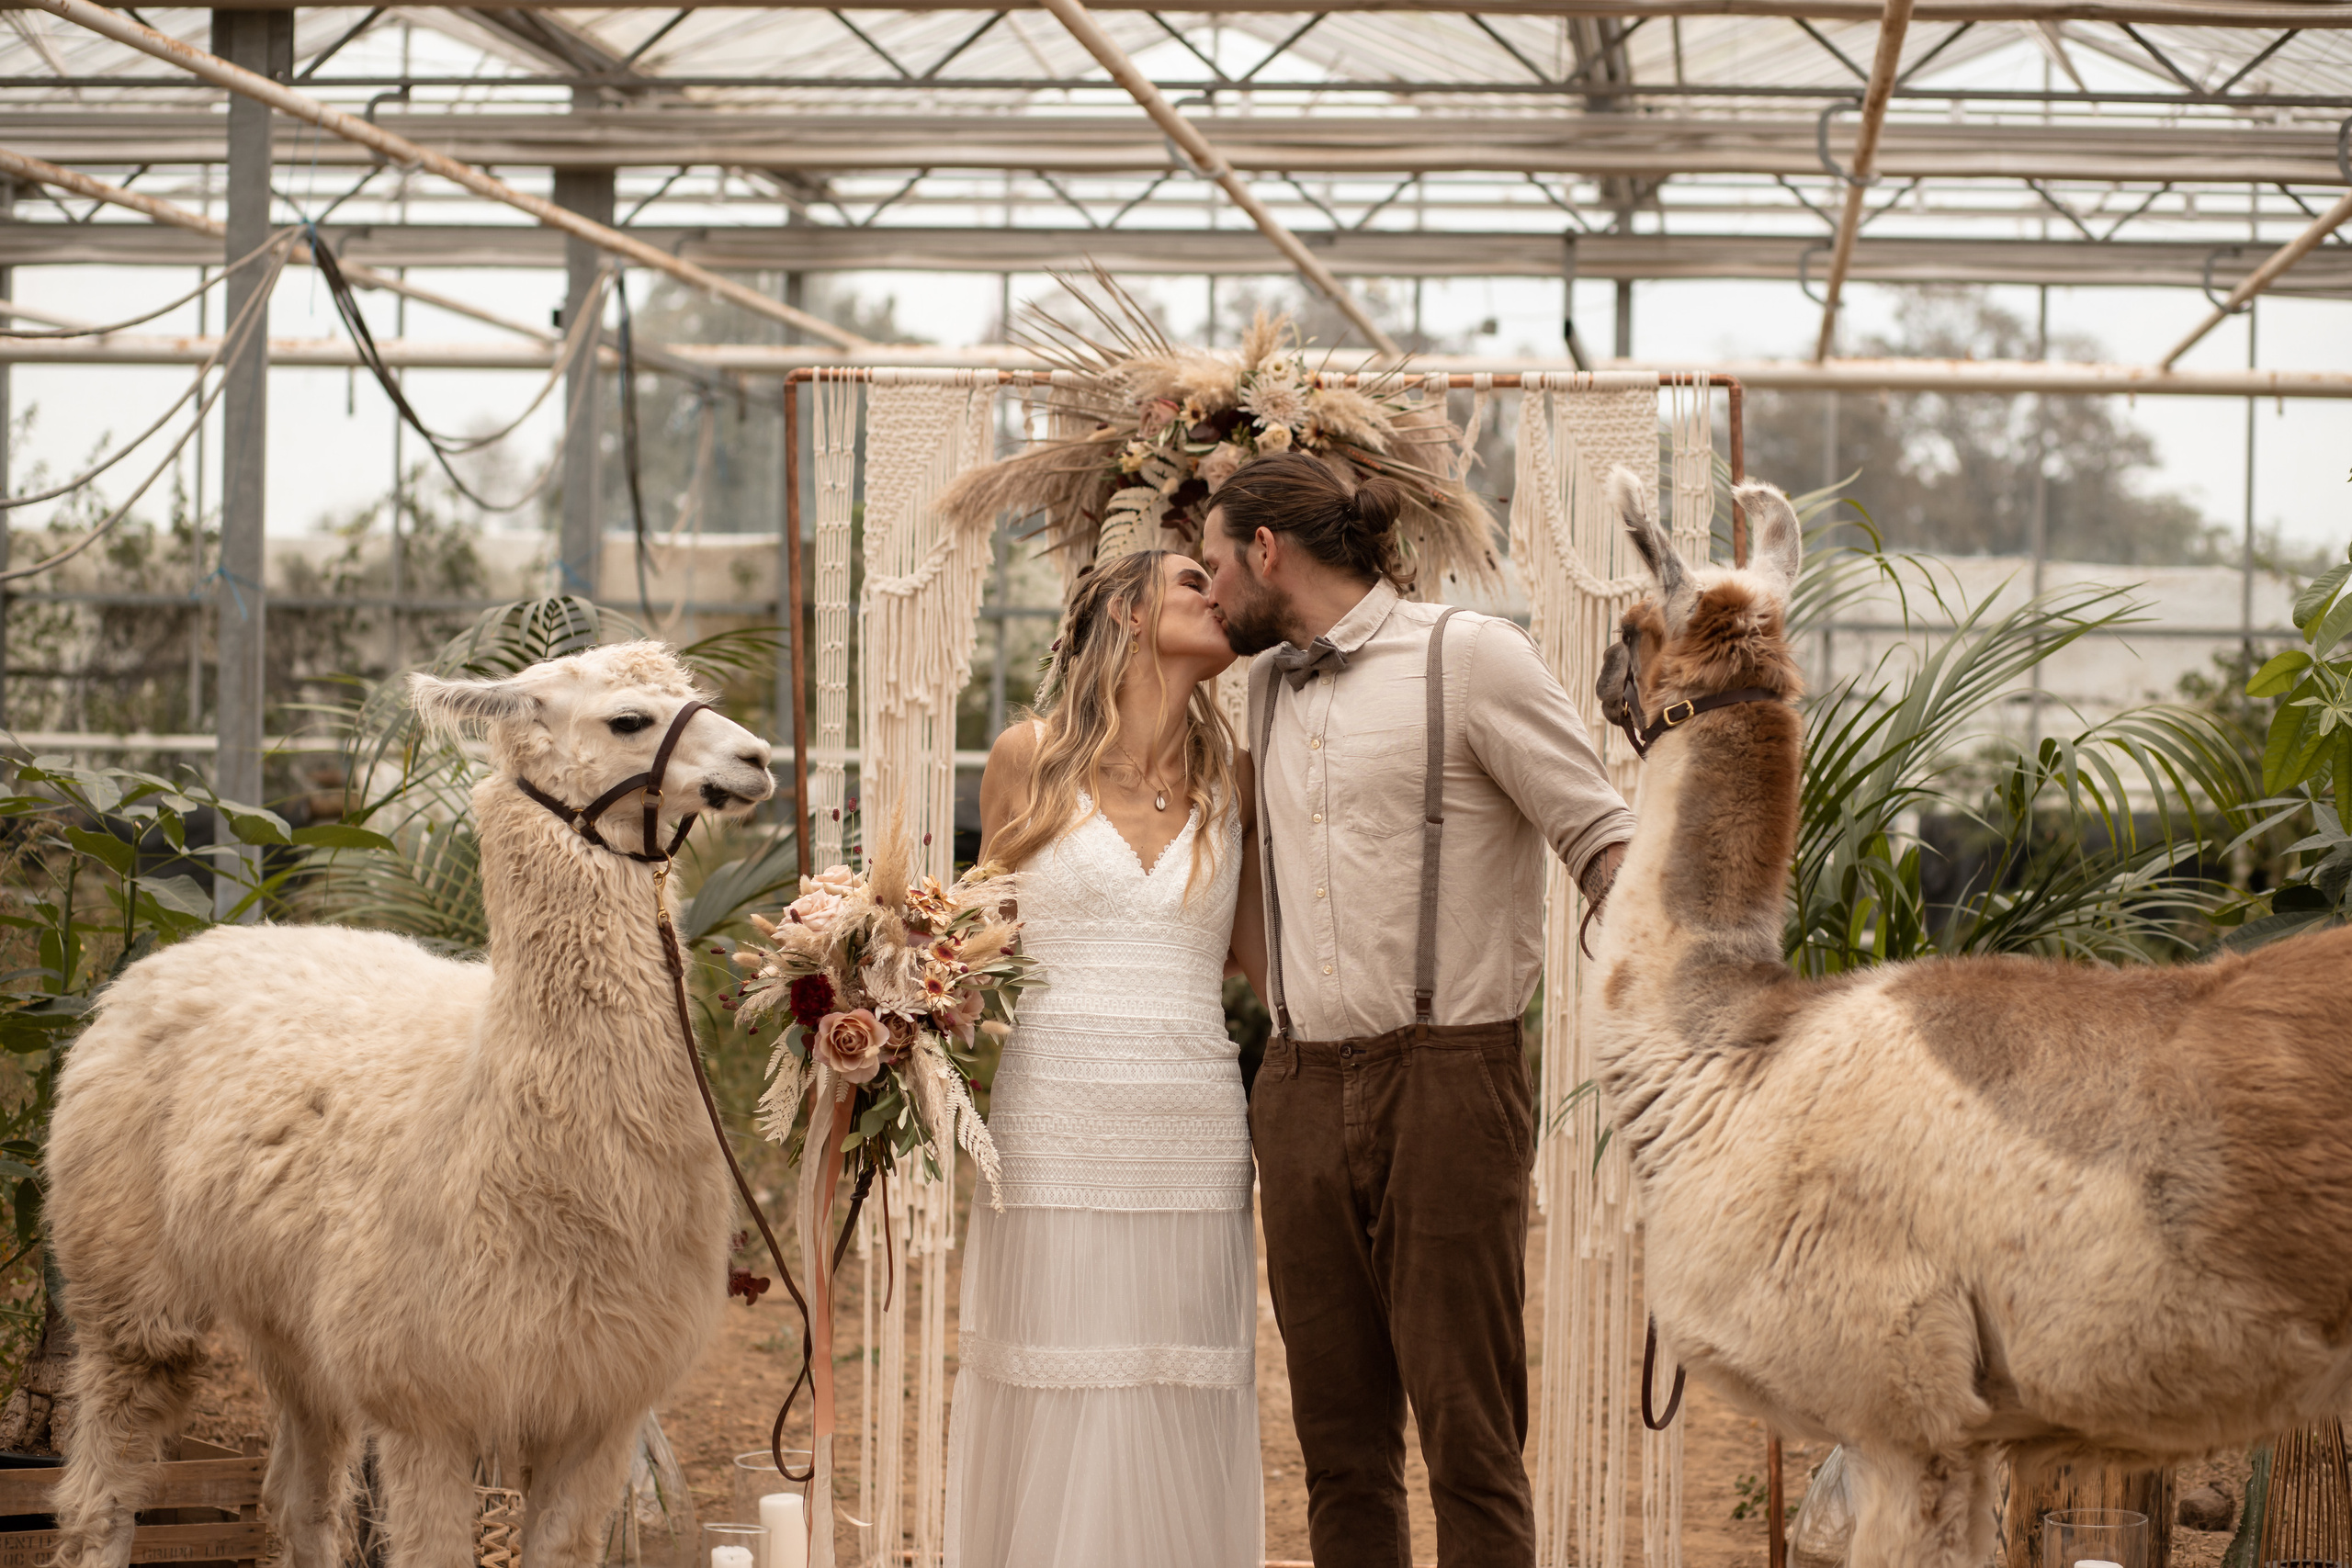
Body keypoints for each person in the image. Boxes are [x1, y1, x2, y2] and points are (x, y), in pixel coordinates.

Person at [1197, 451, 1634, 1568]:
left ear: (1265, 549)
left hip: (1449, 1075)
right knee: (1337, 1445)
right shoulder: (1254, 686)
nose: (1208, 594)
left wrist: (1678, 1000)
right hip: (1293, 1084)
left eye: (1212, 564)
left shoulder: (1470, 654)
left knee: (1467, 1434)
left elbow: (1601, 839)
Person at [944, 548, 1268, 1568]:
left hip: (1192, 1123)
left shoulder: (1236, 774)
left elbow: (1266, 962)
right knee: (1060, 1375)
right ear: (1127, 612)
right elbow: (966, 953)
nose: (1218, 594)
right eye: (1190, 580)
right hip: (1057, 1115)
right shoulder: (1025, 756)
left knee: (1179, 1383)